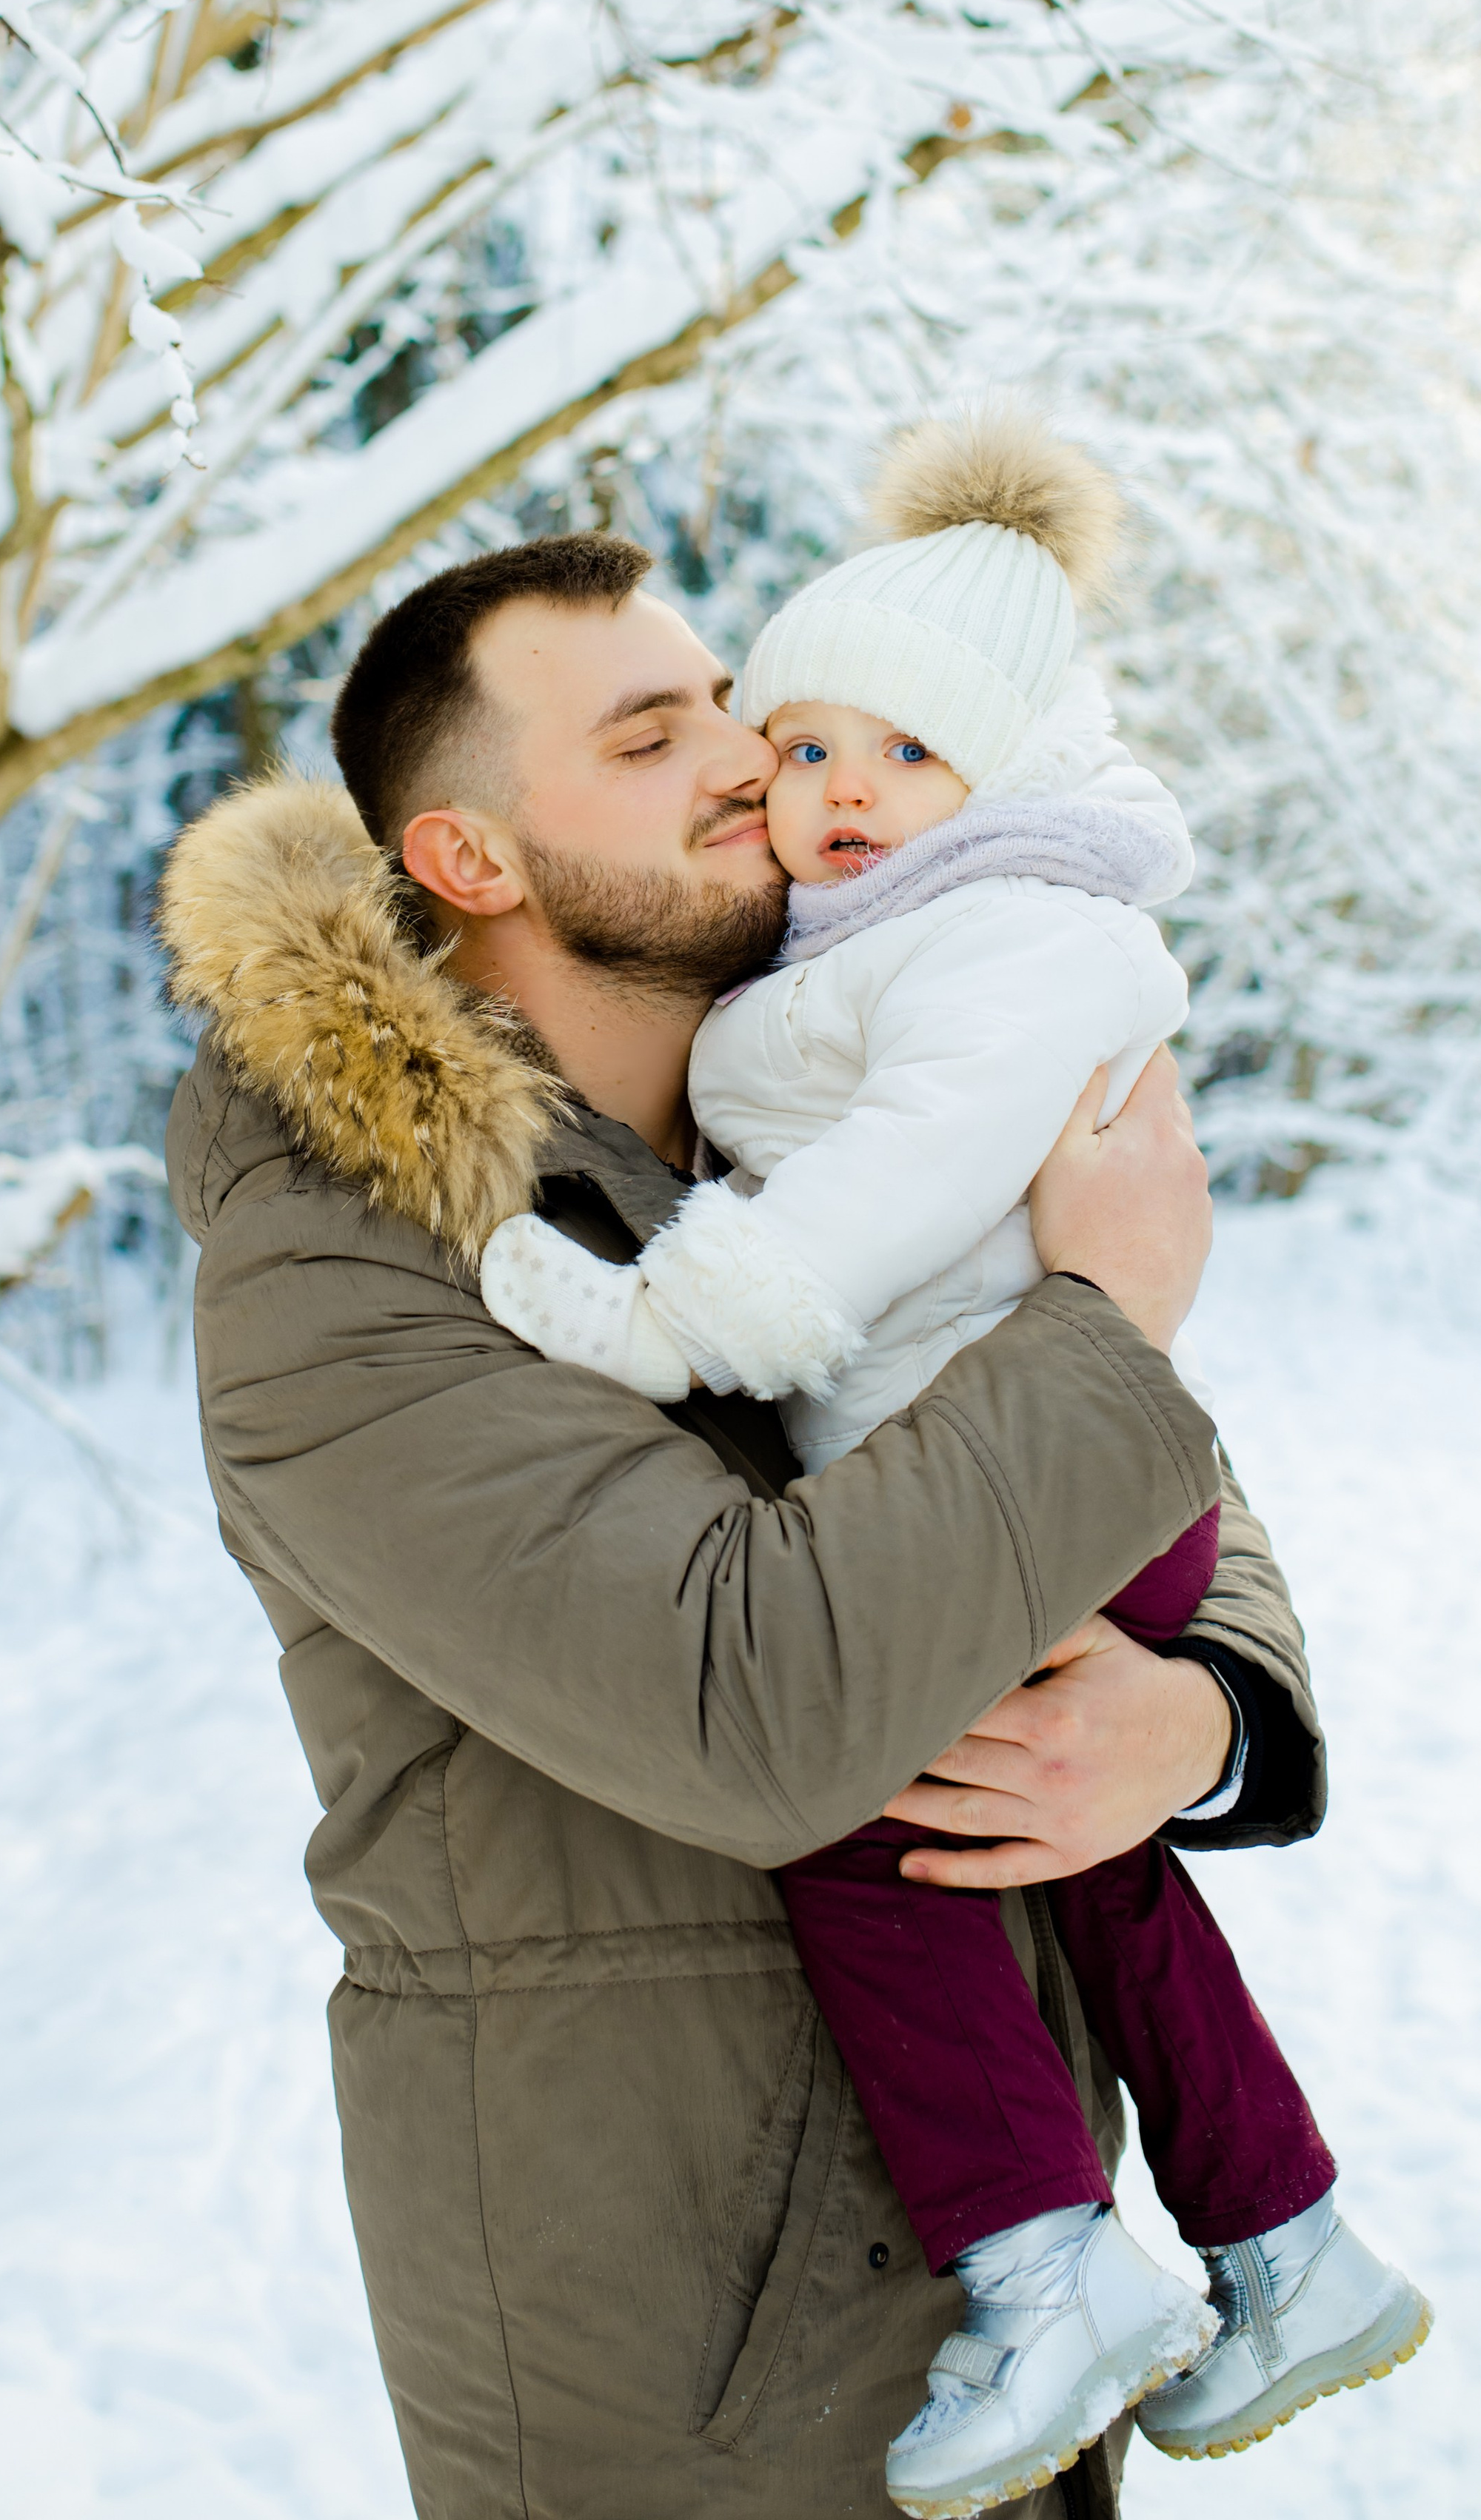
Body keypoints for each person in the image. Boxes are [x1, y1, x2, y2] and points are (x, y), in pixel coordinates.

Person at [158, 524, 1325, 2520]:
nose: (743, 751)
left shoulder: (815, 1097)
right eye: (648, 732)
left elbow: (1144, 1476)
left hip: (1011, 2247)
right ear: (472, 859)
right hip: (682, 2357)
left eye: (724, 698)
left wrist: (1205, 1704)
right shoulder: (349, 1260)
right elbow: (746, 1701)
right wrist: (1105, 1309)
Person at [478, 410, 1429, 2514]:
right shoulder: (895, 930)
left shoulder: (1006, 939)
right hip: (1007, 1467)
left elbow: (901, 1187)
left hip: (1020, 1475)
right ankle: (1285, 2247)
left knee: (872, 1817)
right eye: (803, 743)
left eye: (899, 758)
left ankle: (1042, 2264)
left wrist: (657, 1309)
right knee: (1064, 1848)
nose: (822, 794)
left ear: (998, 777)